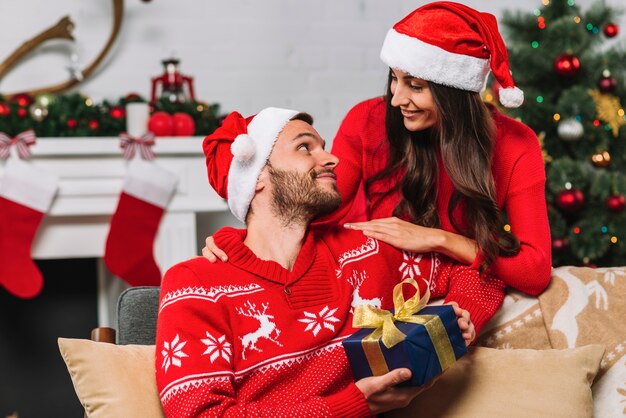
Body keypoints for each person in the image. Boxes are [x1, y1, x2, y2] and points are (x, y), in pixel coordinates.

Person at [155, 107, 499, 417]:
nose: (331, 158)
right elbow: (199, 414)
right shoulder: (196, 283)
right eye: (305, 147)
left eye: (323, 145)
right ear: (256, 177)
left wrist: (456, 318)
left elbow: (487, 270)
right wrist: (350, 406)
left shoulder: (366, 252)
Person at [323, 1, 552, 296]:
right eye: (395, 79)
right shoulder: (366, 121)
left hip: (458, 291)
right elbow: (320, 215)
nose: (396, 99)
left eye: (415, 86)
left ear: (453, 91)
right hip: (377, 286)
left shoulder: (516, 144)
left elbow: (534, 271)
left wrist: (438, 239)